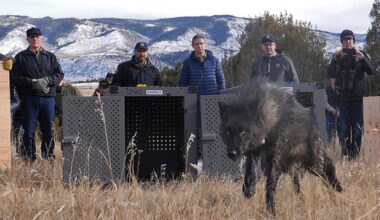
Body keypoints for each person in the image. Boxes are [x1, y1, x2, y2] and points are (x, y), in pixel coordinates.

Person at [11, 27, 64, 161]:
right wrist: (32, 82)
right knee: (28, 131)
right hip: (28, 99)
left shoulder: (50, 57)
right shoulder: (20, 57)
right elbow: (15, 77)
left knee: (48, 130)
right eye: (32, 37)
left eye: (37, 36)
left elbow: (59, 75)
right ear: (27, 39)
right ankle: (28, 158)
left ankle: (48, 157)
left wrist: (46, 81)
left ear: (41, 38)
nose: (35, 39)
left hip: (47, 99)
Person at [327, 29, 376, 160]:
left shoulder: (362, 54)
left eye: (350, 40)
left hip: (359, 99)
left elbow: (372, 71)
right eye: (345, 40)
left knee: (358, 129)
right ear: (342, 42)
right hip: (344, 99)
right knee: (344, 129)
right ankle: (345, 155)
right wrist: (334, 60)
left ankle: (355, 156)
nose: (348, 42)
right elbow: (330, 73)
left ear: (353, 41)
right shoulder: (338, 56)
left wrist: (363, 59)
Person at [178, 34, 226, 158]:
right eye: (197, 44)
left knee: (214, 130)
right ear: (193, 46)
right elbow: (182, 83)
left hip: (212, 101)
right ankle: (197, 157)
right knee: (196, 131)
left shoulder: (214, 60)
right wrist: (184, 100)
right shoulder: (188, 62)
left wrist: (221, 98)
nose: (199, 46)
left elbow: (221, 80)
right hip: (195, 102)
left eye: (201, 43)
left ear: (205, 44)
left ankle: (213, 157)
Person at [325, 78, 340, 144]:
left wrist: (339, 111)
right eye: (333, 78)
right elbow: (324, 102)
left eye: (335, 78)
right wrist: (332, 110)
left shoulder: (340, 89)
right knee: (329, 134)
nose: (334, 80)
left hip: (339, 114)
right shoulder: (326, 89)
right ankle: (329, 151)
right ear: (331, 79)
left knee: (341, 134)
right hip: (329, 114)